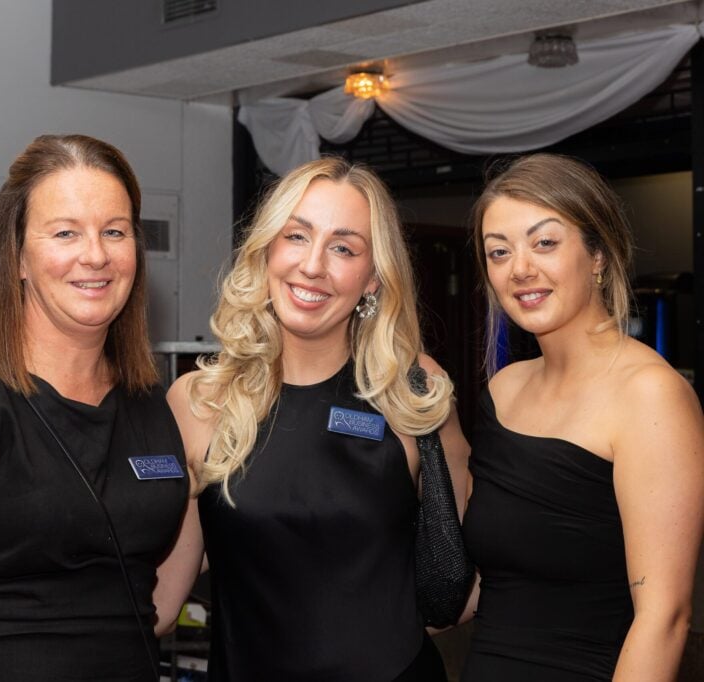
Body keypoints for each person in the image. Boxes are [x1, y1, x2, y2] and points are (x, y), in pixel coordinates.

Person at [0, 134, 188, 682]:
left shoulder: (151, 406)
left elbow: (151, 607)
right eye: (66, 232)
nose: (95, 255)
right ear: (17, 256)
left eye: (114, 231)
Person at [154, 157, 470, 681]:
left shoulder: (414, 393)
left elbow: (463, 579)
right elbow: (162, 601)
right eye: (297, 236)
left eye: (344, 248)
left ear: (373, 279)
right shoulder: (200, 402)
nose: (313, 265)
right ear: (267, 251)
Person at [462, 153, 704, 681]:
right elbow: (487, 582)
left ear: (597, 254)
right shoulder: (503, 391)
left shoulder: (650, 395)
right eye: (499, 251)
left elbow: (664, 619)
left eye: (545, 242)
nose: (520, 268)